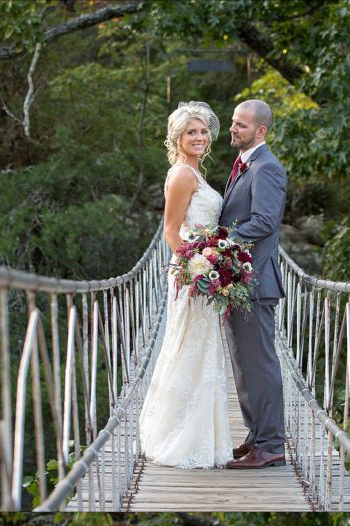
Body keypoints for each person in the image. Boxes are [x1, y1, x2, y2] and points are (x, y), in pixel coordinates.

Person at [139, 102, 233, 469]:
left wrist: (213, 264)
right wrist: (198, 271)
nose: (199, 137)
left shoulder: (195, 172)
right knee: (189, 348)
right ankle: (179, 438)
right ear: (177, 137)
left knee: (201, 350)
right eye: (191, 132)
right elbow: (170, 231)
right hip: (191, 274)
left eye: (203, 131)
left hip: (202, 270)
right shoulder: (181, 174)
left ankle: (203, 439)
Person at [220, 100, 288, 471]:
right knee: (243, 364)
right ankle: (256, 435)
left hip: (256, 282)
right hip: (238, 282)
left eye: (241, 125)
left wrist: (218, 243)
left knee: (259, 365)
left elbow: (264, 222)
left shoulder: (267, 167)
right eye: (233, 122)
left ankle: (272, 445)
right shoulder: (244, 164)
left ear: (260, 131)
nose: (233, 129)